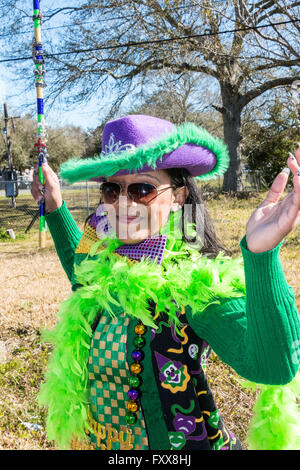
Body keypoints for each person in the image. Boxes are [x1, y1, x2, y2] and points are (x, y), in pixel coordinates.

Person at [31, 114, 300, 451]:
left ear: (179, 196)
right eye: (112, 189)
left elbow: (273, 369)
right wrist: (55, 206)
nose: (124, 203)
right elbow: (81, 273)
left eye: (142, 189)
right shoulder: (101, 252)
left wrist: (262, 254)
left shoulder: (195, 285)